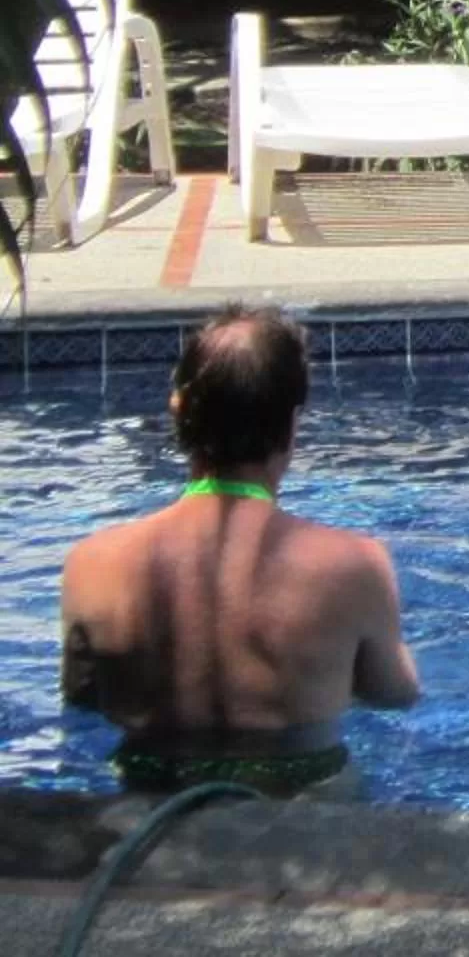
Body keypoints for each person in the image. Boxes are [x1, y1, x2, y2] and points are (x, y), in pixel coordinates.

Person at [59, 305, 421, 795]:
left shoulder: (91, 564)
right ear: (292, 424)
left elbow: (83, 701)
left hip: (151, 806)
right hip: (306, 804)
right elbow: (395, 695)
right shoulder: (354, 564)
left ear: (178, 409)